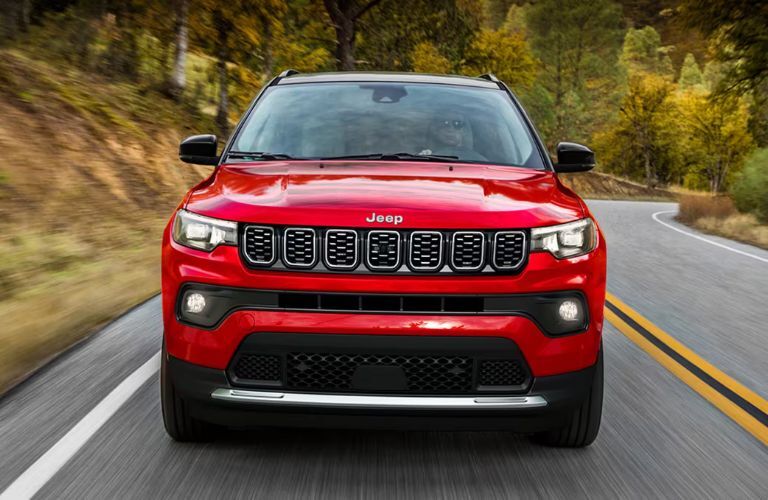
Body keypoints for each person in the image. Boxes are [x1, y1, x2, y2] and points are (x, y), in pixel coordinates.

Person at [420, 112, 487, 161]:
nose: (451, 129)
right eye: (445, 123)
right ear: (435, 130)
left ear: (463, 131)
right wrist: (422, 159)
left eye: (457, 124)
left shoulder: (478, 160)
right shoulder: (420, 157)